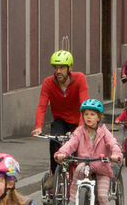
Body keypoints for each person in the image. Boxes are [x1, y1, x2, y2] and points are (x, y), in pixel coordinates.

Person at [54, 99, 122, 205]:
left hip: (102, 168)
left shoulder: (104, 132)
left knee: (102, 196)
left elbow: (113, 144)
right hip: (85, 165)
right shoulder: (79, 132)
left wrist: (116, 154)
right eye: (86, 114)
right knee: (78, 170)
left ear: (99, 117)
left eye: (92, 114)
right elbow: (71, 144)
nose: (88, 117)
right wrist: (62, 153)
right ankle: (73, 200)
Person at [33, 50, 88, 188]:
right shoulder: (48, 83)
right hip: (60, 120)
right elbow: (42, 106)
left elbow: (84, 104)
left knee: (79, 150)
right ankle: (54, 174)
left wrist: (81, 126)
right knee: (54, 141)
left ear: (70, 67)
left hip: (77, 121)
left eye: (62, 67)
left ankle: (83, 174)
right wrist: (38, 126)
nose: (58, 71)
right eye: (56, 68)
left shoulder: (80, 79)